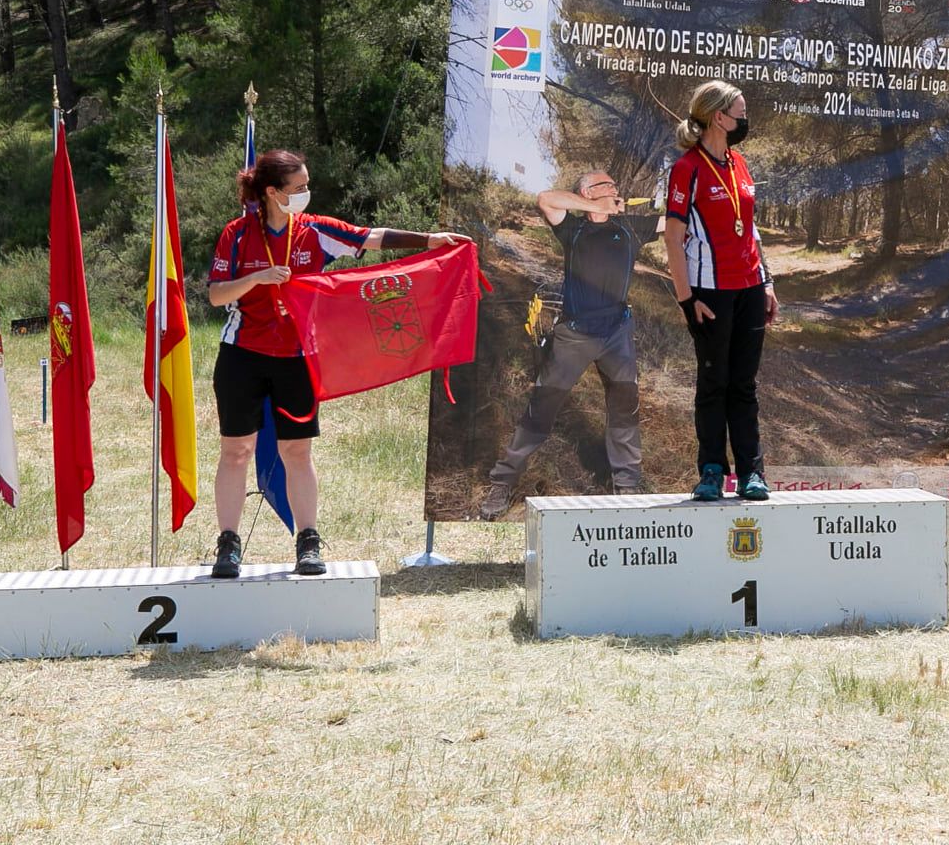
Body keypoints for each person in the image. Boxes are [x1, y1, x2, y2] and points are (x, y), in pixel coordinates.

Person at [205, 148, 463, 577]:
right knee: (236, 451)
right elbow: (216, 295)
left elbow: (370, 236)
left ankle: (308, 541)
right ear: (272, 192)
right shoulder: (236, 233)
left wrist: (429, 240)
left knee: (297, 451)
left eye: (307, 186)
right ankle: (228, 544)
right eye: (299, 188)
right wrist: (256, 279)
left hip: (298, 357)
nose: (306, 193)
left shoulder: (314, 230)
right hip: (242, 355)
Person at [478, 171, 662, 518]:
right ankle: (502, 482)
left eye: (614, 184)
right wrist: (595, 205)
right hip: (574, 335)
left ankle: (627, 484)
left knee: (624, 407)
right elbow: (545, 199)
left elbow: (675, 221)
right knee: (542, 407)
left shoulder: (630, 227)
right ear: (587, 192)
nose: (615, 188)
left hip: (617, 334)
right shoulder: (572, 229)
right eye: (607, 185)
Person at [663, 80, 777, 503]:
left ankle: (752, 472)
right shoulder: (686, 169)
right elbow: (673, 239)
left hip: (749, 289)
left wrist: (766, 281)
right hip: (709, 293)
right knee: (714, 382)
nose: (745, 120)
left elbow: (750, 231)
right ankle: (712, 471)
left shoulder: (740, 164)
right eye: (740, 113)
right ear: (718, 117)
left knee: (744, 385)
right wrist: (687, 299)